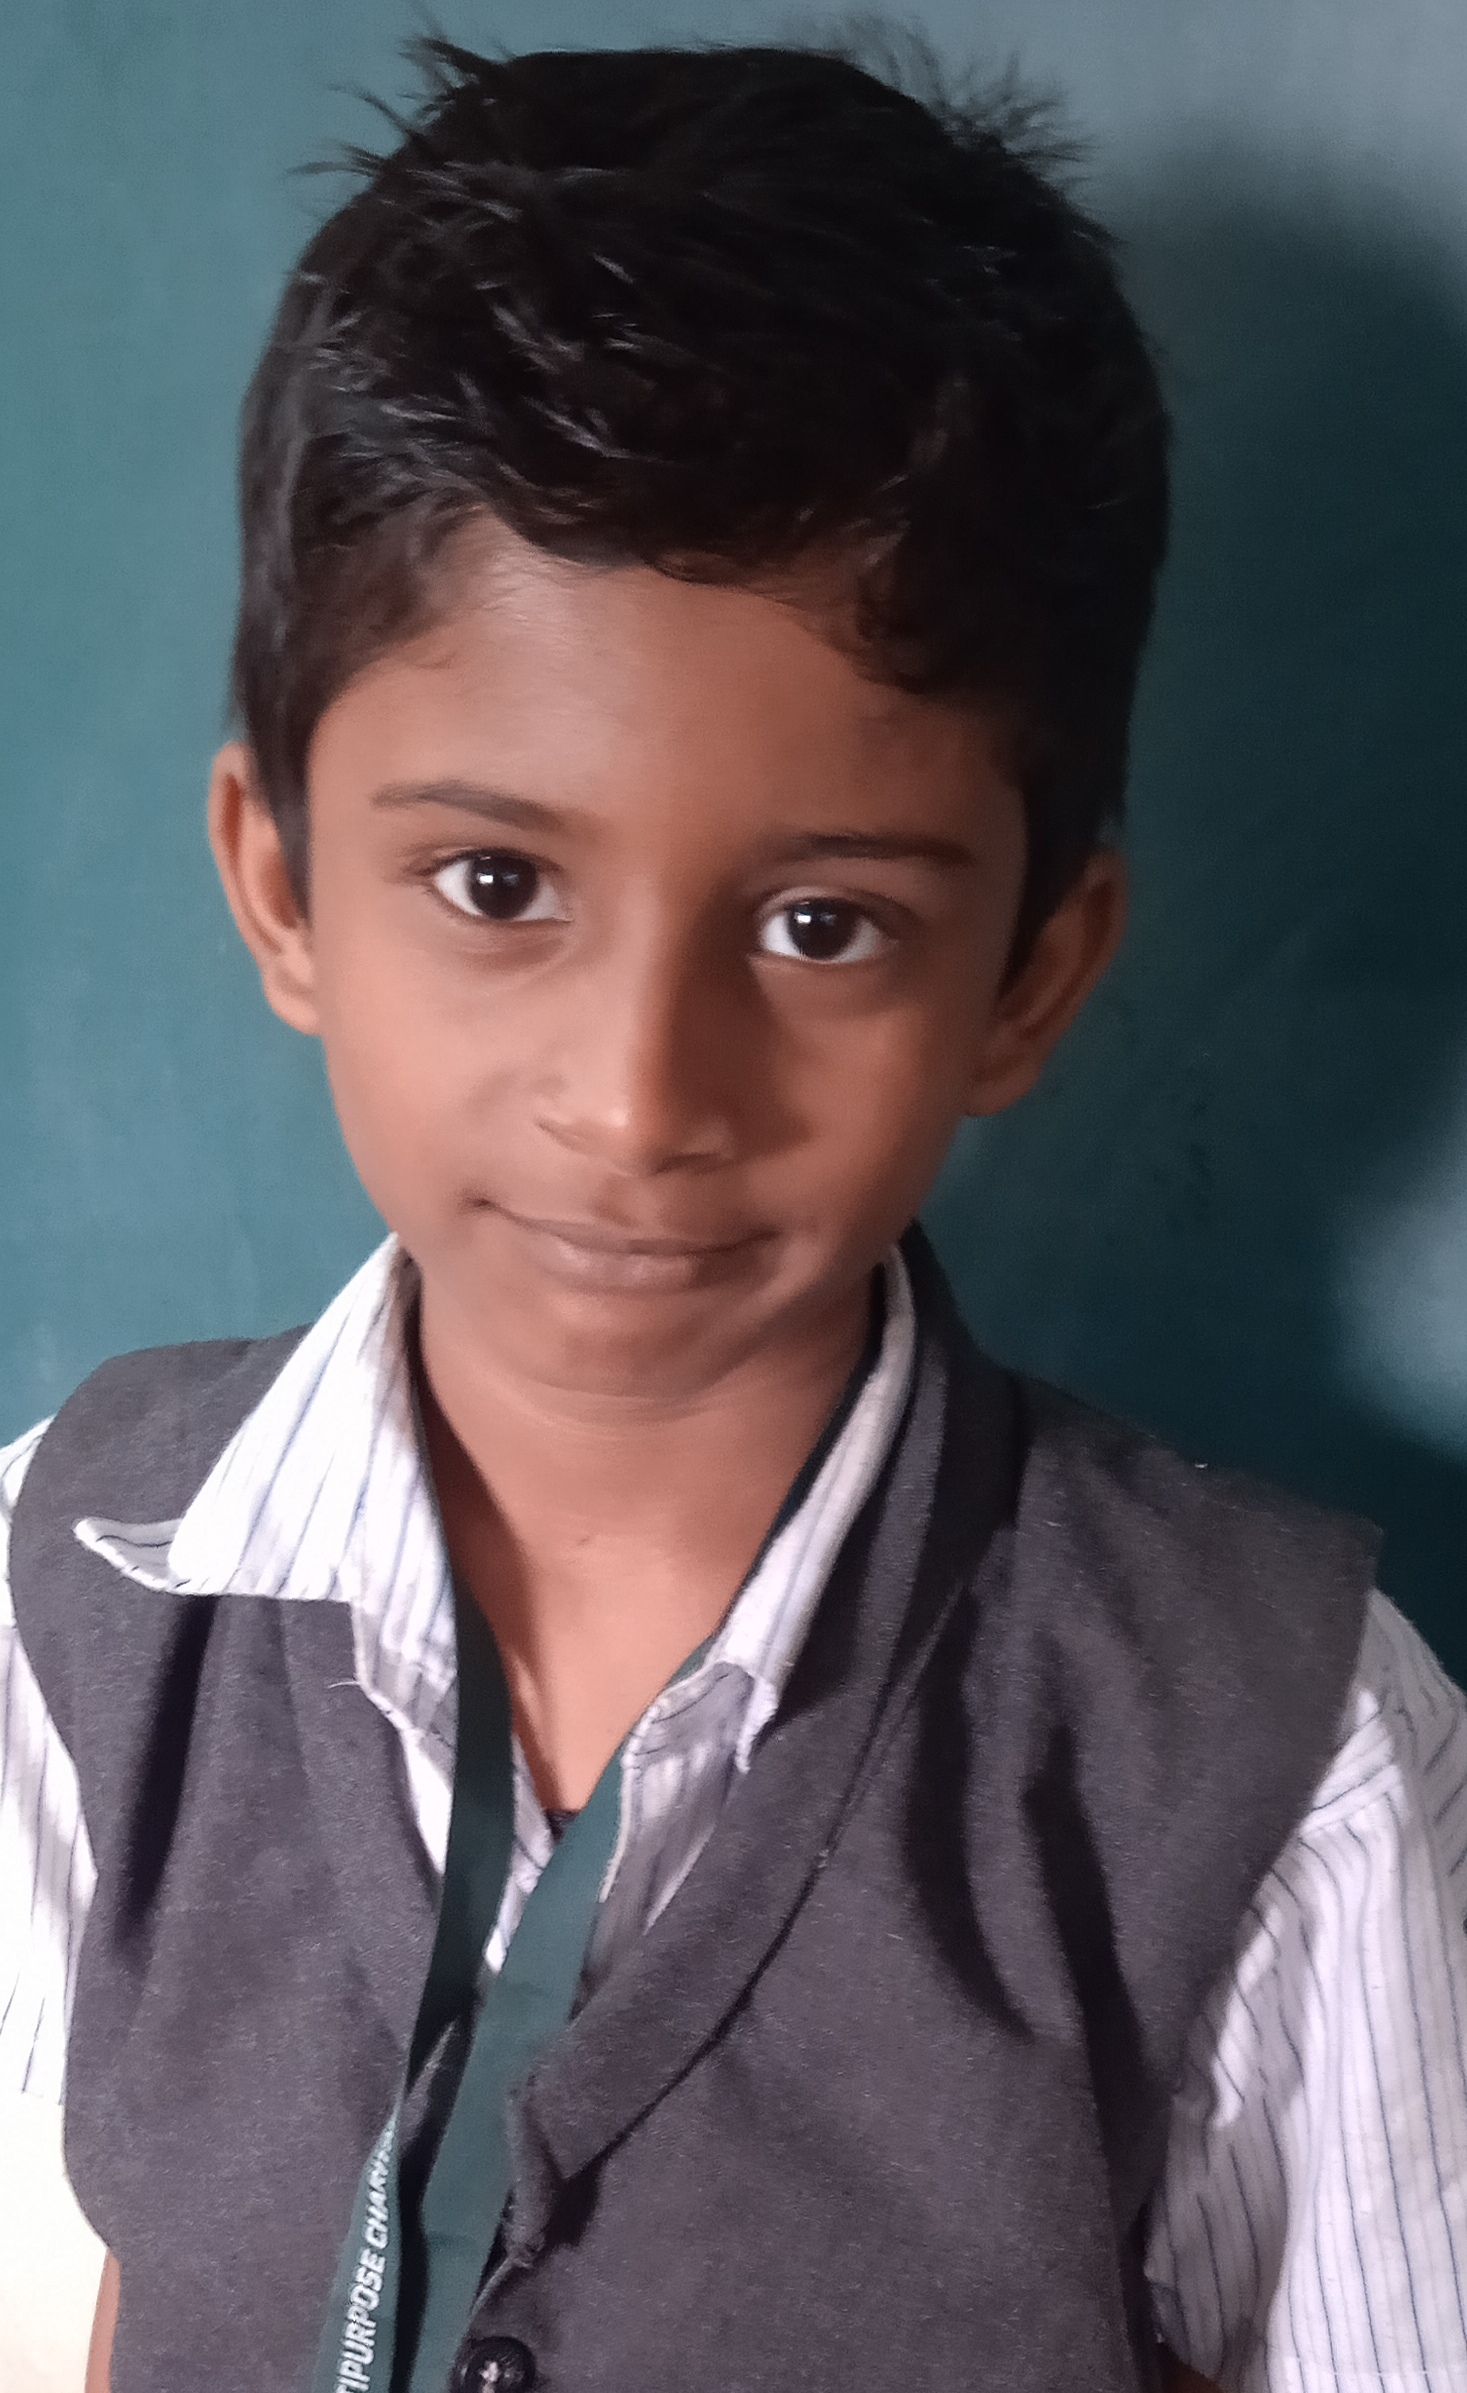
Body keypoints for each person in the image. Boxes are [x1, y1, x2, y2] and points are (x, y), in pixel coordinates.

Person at [3, 35, 1465, 2393]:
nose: (638, 1098)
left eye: (819, 927)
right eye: (496, 884)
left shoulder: (1290, 1767)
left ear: (1030, 974)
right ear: (280, 883)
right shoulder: (60, 1596)